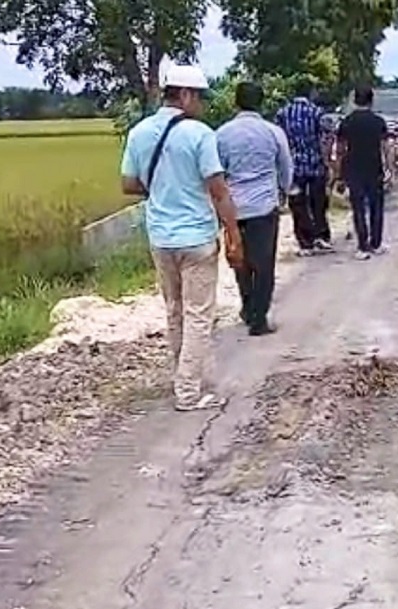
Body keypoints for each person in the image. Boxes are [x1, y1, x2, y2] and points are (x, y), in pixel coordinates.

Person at [120, 64, 243, 411]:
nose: (201, 104)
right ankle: (188, 392)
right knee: (199, 315)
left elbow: (128, 184)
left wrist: (161, 187)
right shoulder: (200, 134)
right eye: (199, 97)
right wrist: (233, 233)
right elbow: (218, 190)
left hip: (161, 238)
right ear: (185, 95)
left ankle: (183, 377)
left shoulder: (139, 132)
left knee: (175, 310)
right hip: (197, 239)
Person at [216, 81, 294, 336]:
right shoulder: (273, 132)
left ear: (235, 102)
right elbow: (285, 167)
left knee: (240, 260)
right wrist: (284, 190)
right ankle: (259, 318)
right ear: (261, 103)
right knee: (264, 263)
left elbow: (216, 172)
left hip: (233, 208)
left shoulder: (222, 134)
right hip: (263, 206)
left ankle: (248, 306)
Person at [274, 77, 332, 256]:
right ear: (311, 92)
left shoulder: (283, 113)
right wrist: (327, 162)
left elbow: (279, 139)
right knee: (318, 202)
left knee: (298, 204)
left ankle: (305, 242)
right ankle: (321, 236)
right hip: (315, 164)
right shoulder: (317, 112)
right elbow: (326, 138)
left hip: (293, 165)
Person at [336, 85, 389, 260]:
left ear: (354, 100)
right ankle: (376, 243)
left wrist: (339, 173)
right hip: (374, 168)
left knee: (358, 208)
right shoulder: (378, 121)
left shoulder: (347, 122)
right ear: (371, 101)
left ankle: (362, 246)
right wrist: (390, 168)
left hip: (353, 169)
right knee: (376, 207)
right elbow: (386, 147)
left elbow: (340, 149)